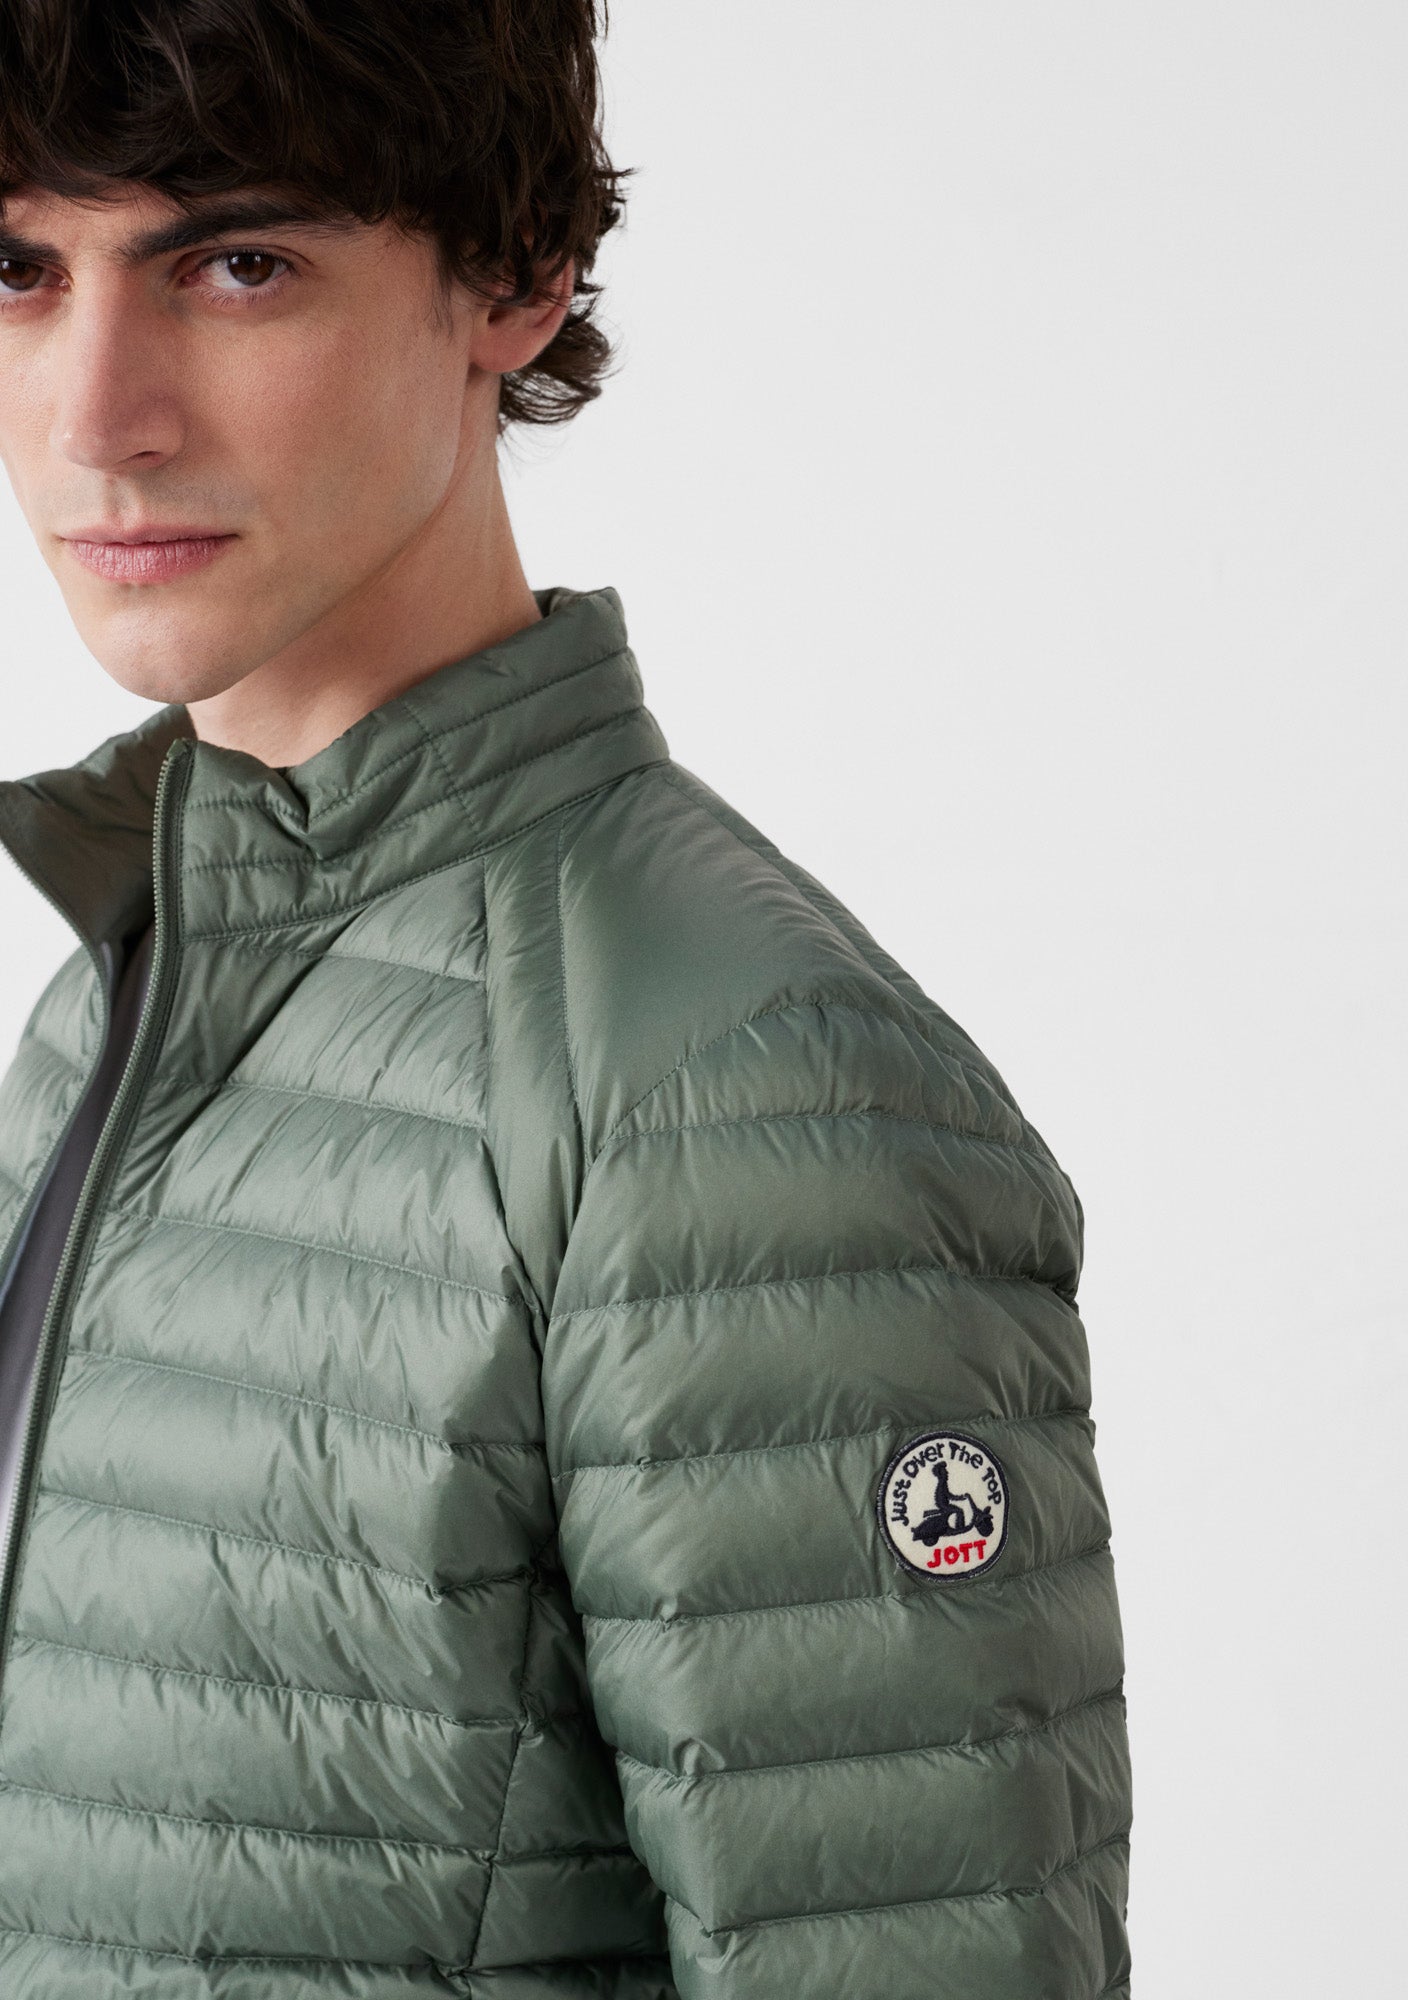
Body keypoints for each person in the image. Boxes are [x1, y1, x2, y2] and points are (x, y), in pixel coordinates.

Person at [0, 3, 1132, 1994]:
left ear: (514, 275)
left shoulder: (741, 1090)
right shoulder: (126, 988)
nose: (99, 417)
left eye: (235, 265)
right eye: (18, 273)